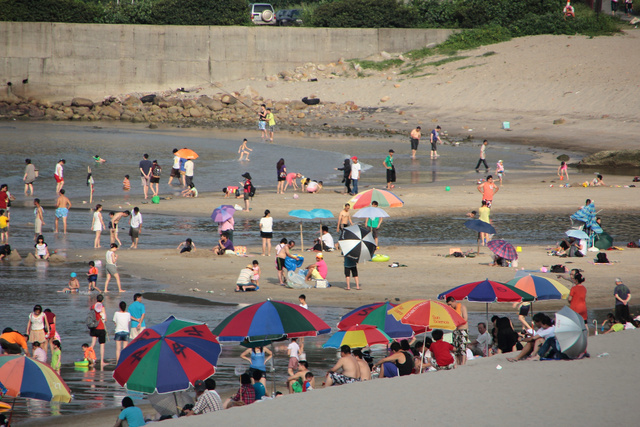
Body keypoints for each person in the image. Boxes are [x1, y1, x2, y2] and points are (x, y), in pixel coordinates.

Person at [446, 296, 469, 366]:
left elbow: (465, 318)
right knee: (456, 348)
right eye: (448, 305)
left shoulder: (462, 307)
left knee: (463, 347)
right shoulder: (452, 310)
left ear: (454, 301)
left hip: (463, 329)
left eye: (450, 304)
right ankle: (458, 363)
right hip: (455, 330)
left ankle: (463, 363)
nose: (450, 306)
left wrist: (458, 322)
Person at [89, 294, 107, 366]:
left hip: (94, 327)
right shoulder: (102, 307)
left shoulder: (92, 307)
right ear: (102, 300)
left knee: (92, 344)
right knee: (102, 345)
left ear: (96, 300)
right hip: (101, 327)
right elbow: (105, 318)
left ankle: (88, 358)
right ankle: (102, 361)